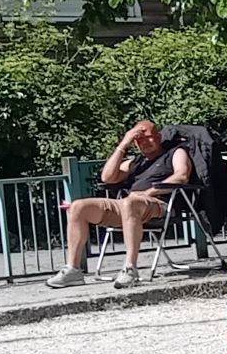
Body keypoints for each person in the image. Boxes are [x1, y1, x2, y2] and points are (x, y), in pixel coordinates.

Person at [46, 119, 193, 290]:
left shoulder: (175, 152)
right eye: (139, 139)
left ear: (158, 137)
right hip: (129, 204)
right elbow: (107, 177)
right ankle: (73, 269)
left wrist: (149, 192)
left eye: (148, 137)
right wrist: (124, 143)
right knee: (79, 206)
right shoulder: (136, 162)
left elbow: (182, 176)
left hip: (158, 203)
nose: (144, 142)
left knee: (130, 202)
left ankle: (130, 268)